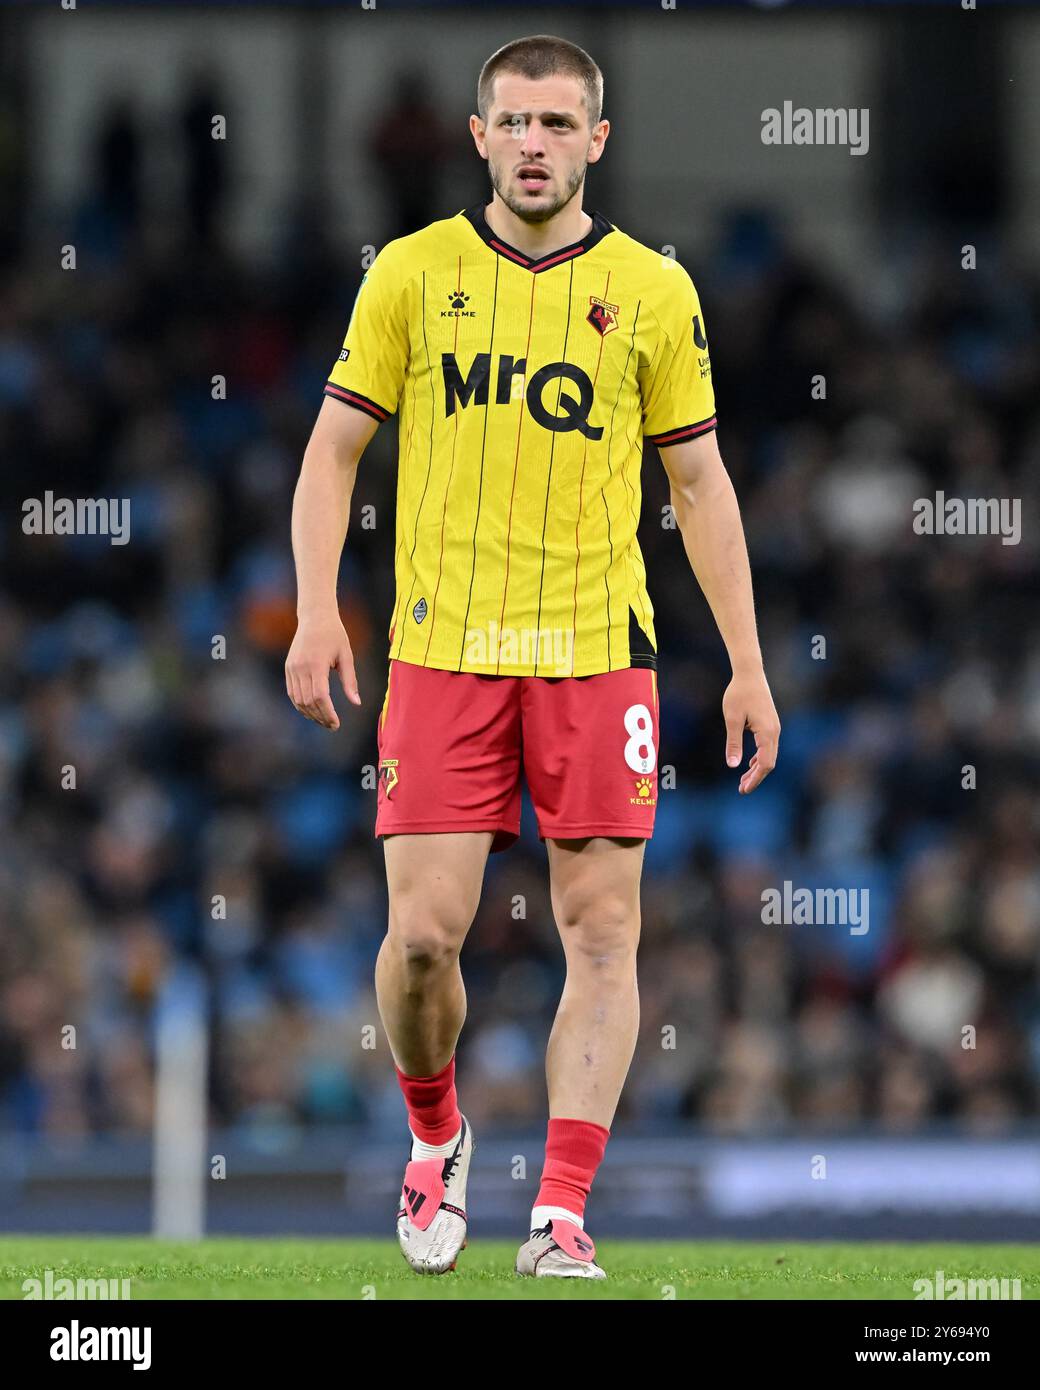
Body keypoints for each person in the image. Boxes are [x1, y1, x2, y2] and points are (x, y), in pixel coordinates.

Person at [285, 34, 780, 1279]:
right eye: (513, 124)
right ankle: (434, 1133)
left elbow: (701, 481)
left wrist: (746, 662)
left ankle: (559, 1209)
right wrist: (311, 607)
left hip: (594, 653)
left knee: (602, 934)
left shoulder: (655, 292)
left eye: (559, 125)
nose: (535, 146)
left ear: (596, 142)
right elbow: (331, 451)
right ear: (477, 136)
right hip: (441, 651)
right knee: (419, 943)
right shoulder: (410, 273)